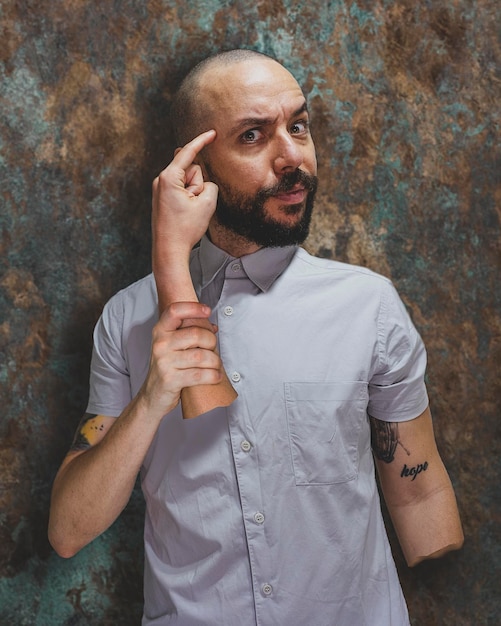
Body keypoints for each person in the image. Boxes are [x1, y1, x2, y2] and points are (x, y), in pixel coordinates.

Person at [48, 49, 464, 625]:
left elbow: (419, 494)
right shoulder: (127, 319)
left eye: (298, 126)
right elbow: (68, 532)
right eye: (253, 136)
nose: (293, 157)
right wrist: (150, 401)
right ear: (196, 165)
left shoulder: (367, 307)